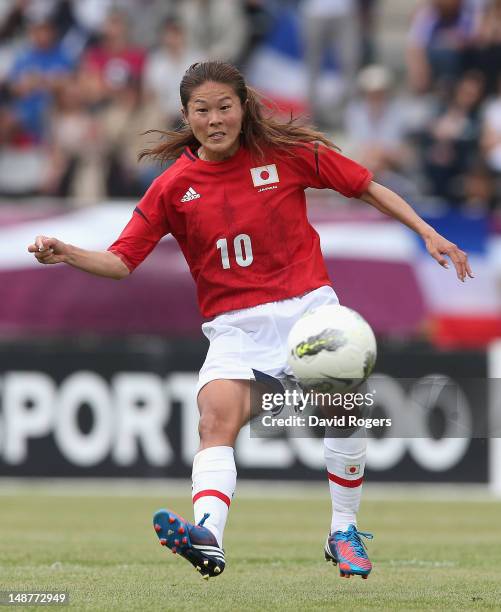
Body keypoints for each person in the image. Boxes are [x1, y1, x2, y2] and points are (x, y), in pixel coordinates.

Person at [28, 61, 473, 581]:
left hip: (309, 310)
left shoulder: (287, 155)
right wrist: (66, 252)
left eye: (224, 107)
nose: (215, 119)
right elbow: (121, 262)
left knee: (343, 409)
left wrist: (427, 231)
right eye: (202, 110)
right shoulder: (172, 188)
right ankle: (209, 538)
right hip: (236, 327)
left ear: (243, 108)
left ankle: (344, 531)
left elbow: (367, 185)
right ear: (186, 115)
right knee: (216, 418)